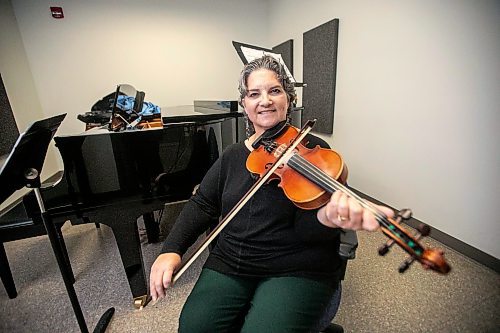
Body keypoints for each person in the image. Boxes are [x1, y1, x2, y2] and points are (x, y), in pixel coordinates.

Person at [149, 55, 394, 333]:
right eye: (254, 94)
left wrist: (328, 215)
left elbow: (309, 231)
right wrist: (171, 250)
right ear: (244, 105)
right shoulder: (233, 155)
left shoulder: (314, 150)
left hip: (295, 265)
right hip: (232, 261)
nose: (264, 100)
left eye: (274, 91)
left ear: (288, 99)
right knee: (193, 328)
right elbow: (203, 204)